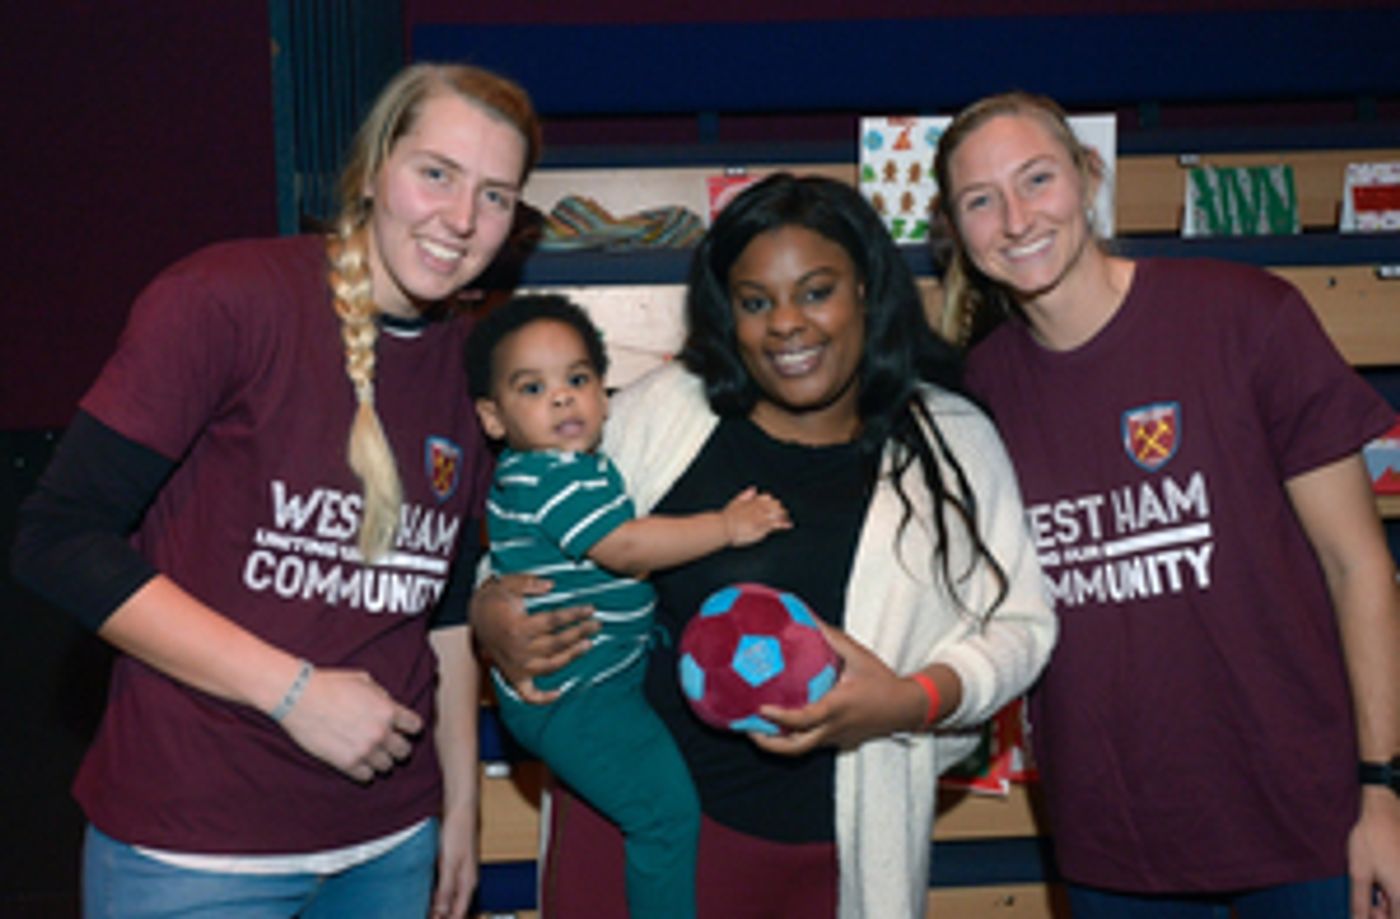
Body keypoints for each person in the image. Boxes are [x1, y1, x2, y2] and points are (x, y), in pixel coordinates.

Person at [10, 62, 540, 919]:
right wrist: (294, 691)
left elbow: (440, 607)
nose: (461, 219)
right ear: (373, 171)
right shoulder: (226, 301)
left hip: (390, 846)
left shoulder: (474, 365)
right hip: (195, 850)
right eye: (435, 173)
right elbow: (57, 538)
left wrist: (461, 808)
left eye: (495, 196)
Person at [470, 173, 1058, 918]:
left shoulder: (952, 439)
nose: (786, 324)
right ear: (727, 313)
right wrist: (494, 610)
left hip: (824, 855)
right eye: (755, 302)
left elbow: (1022, 628)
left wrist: (910, 700)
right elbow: (539, 524)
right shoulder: (665, 411)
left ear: (868, 291)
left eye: (816, 291)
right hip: (631, 831)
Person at [931, 90, 1400, 919]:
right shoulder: (981, 388)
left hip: (1306, 822)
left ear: (1088, 176)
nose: (1015, 218)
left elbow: (1358, 562)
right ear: (958, 230)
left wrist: (1383, 789)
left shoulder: (1247, 316)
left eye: (1037, 179)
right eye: (981, 200)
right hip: (1118, 842)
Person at [464, 293, 791, 918]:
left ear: (605, 392)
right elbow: (626, 547)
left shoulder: (580, 467)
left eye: (578, 379)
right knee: (665, 819)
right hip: (575, 699)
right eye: (532, 388)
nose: (562, 397)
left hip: (603, 681)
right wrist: (727, 526)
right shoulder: (546, 475)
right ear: (493, 417)